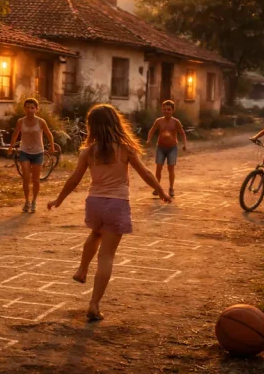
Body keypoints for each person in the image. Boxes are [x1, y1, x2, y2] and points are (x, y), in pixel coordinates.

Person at [47, 104, 171, 321]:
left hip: (94, 202)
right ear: (116, 123)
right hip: (116, 204)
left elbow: (74, 179)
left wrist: (59, 199)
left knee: (96, 233)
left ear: (92, 127)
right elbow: (146, 173)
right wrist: (161, 190)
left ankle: (82, 269)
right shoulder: (125, 149)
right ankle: (94, 304)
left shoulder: (88, 152)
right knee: (106, 256)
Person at [8, 98, 55, 213]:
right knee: (26, 178)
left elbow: (49, 134)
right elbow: (15, 134)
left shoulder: (41, 122)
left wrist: (52, 147)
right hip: (24, 151)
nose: (29, 110)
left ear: (36, 109)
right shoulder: (20, 121)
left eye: (32, 108)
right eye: (27, 107)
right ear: (24, 108)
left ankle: (34, 201)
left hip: (38, 152)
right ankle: (27, 201)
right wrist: (10, 147)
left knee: (36, 180)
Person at [146, 100, 187, 197]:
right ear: (162, 110)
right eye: (164, 109)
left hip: (172, 148)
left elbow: (182, 133)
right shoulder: (159, 121)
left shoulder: (176, 122)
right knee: (158, 167)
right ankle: (157, 187)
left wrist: (184, 144)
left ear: (173, 110)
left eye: (169, 109)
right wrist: (148, 140)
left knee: (171, 168)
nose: (166, 111)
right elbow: (152, 130)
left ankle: (171, 188)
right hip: (161, 147)